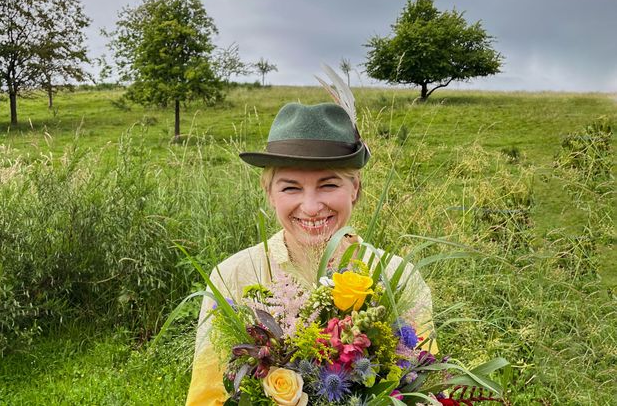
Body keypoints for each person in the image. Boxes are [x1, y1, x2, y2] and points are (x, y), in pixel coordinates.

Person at [186, 102, 435, 405]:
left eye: (328, 184)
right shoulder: (233, 276)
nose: (311, 206)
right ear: (269, 193)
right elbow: (206, 395)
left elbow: (426, 387)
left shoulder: (398, 277)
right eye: (291, 188)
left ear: (354, 188)